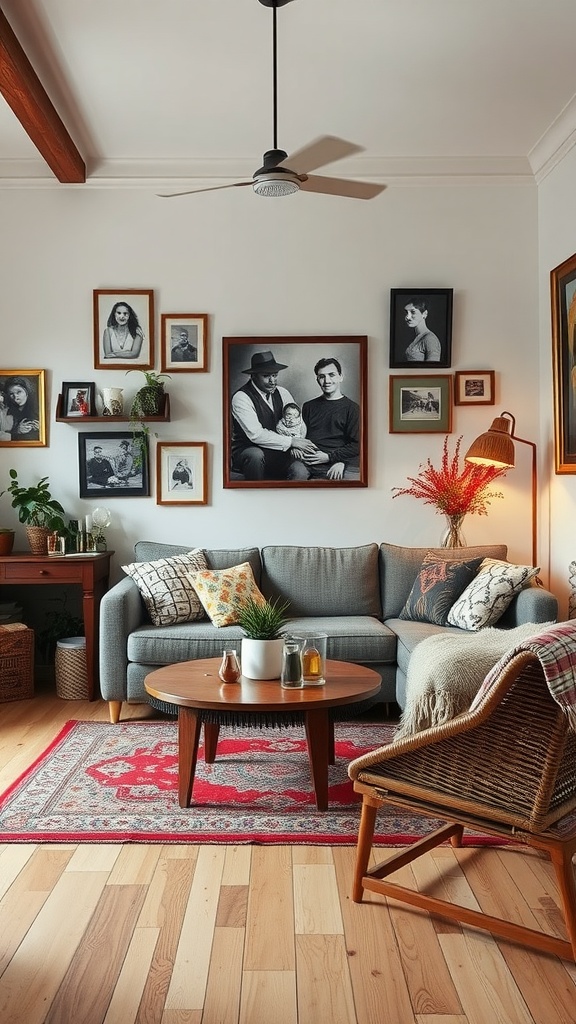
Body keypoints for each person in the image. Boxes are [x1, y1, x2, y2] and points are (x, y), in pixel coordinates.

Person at [230, 350, 315, 480]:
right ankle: (256, 497)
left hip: (279, 451)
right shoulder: (241, 397)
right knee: (255, 455)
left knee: (300, 471)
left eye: (275, 375)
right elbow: (256, 435)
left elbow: (299, 421)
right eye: (266, 376)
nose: (272, 381)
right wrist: (291, 442)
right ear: (253, 376)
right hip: (249, 451)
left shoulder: (283, 392)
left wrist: (298, 441)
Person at [299, 357, 361, 480]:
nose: (327, 381)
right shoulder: (308, 406)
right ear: (317, 380)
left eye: (331, 375)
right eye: (322, 376)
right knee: (296, 474)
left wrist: (338, 460)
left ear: (340, 377)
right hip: (308, 461)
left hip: (337, 461)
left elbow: (357, 444)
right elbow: (300, 435)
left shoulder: (352, 408)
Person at [402, 297, 442, 362]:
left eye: (413, 312)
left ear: (424, 314)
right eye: (406, 312)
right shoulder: (414, 337)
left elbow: (432, 369)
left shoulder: (430, 339)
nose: (407, 317)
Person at [4, 376, 40, 441]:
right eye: (11, 394)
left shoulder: (38, 408)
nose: (15, 397)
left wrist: (42, 429)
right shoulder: (5, 412)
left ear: (27, 391)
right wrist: (17, 431)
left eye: (19, 392)